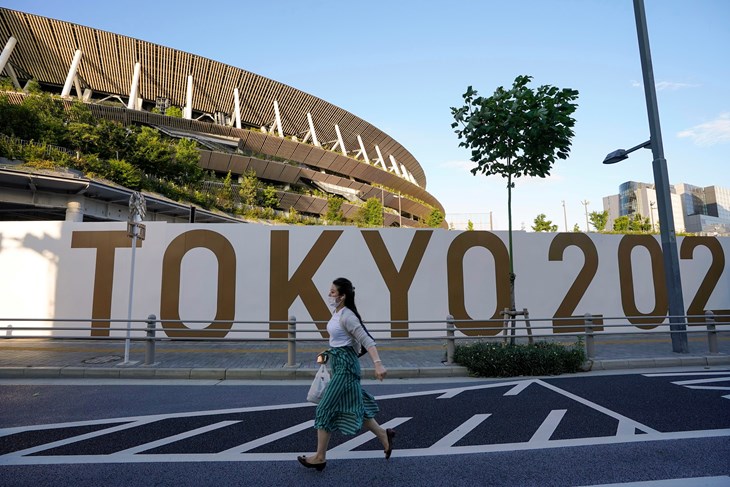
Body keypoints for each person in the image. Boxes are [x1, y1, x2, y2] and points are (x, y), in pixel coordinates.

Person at [297, 277, 395, 471]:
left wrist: (378, 365)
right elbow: (340, 341)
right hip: (339, 364)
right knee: (357, 404)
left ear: (342, 296)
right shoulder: (337, 312)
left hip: (346, 369)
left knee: (324, 408)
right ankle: (384, 435)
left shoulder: (347, 316)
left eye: (333, 292)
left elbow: (367, 340)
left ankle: (319, 457)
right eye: (330, 291)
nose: (329, 295)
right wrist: (328, 353)